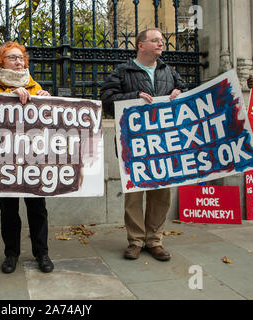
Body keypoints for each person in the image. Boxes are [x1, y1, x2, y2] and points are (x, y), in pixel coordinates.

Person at [100, 28, 187, 262]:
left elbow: (187, 94)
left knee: (161, 193)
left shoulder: (168, 71)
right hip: (134, 145)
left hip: (163, 144)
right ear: (141, 45)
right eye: (155, 40)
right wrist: (134, 97)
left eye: (161, 40)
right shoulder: (123, 70)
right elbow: (107, 100)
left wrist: (180, 92)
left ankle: (155, 241)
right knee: (135, 195)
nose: (161, 44)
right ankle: (136, 241)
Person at [0, 41, 54, 274]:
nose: (19, 62)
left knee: (37, 208)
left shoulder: (34, 86)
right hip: (4, 161)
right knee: (9, 211)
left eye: (21, 58)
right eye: (13, 58)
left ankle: (42, 253)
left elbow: (48, 122)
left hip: (32, 159)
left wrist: (47, 100)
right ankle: (11, 254)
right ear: (0, 62)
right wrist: (9, 98)